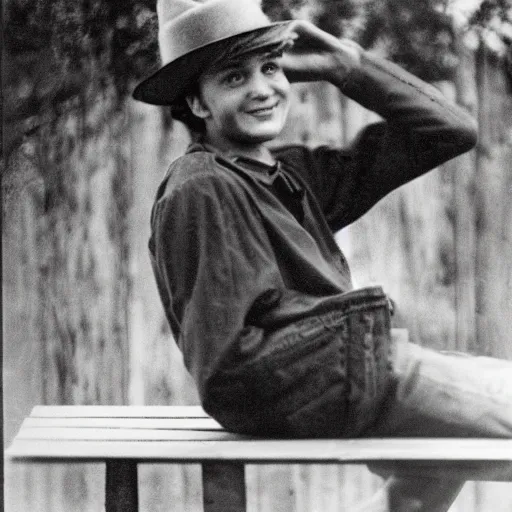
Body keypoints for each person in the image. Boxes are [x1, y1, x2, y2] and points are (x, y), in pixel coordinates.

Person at [133, 0, 512, 510]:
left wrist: (346, 68)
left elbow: (448, 132)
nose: (263, 88)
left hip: (358, 368)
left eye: (269, 67)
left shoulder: (288, 177)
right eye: (233, 78)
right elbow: (225, 364)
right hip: (344, 376)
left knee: (441, 463)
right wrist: (358, 348)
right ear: (197, 105)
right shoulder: (201, 189)